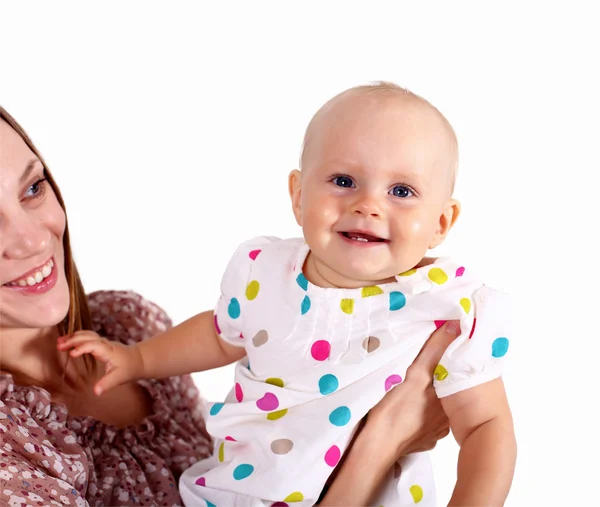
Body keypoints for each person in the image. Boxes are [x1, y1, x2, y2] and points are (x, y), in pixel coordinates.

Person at [60, 82, 517, 506]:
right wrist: (136, 360)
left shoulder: (446, 308)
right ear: (298, 196)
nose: (368, 204)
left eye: (401, 191)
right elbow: (220, 335)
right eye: (343, 181)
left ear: (441, 223)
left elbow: (485, 427)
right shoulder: (265, 271)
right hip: (238, 488)